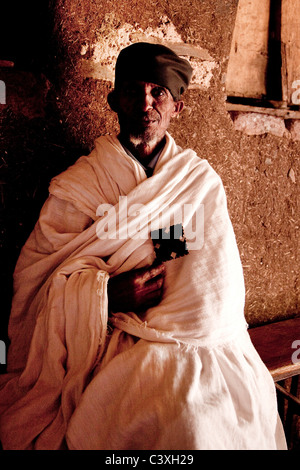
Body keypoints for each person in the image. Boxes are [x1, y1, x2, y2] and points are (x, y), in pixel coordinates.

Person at [0, 42, 287, 450]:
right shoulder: (82, 185)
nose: (146, 102)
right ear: (114, 99)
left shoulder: (194, 184)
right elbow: (38, 281)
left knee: (209, 419)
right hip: (104, 335)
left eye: (159, 93)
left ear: (177, 108)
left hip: (182, 335)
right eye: (133, 90)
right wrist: (105, 293)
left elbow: (200, 284)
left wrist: (152, 290)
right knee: (167, 417)